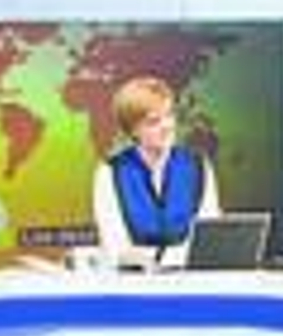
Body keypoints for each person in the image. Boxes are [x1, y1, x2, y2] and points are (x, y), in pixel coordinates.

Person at [92, 75, 221, 271]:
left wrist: (171, 261)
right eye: (154, 121)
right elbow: (115, 246)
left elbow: (208, 237)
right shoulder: (110, 172)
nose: (167, 126)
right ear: (133, 130)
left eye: (169, 115)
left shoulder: (198, 166)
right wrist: (151, 261)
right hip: (133, 280)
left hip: (190, 277)